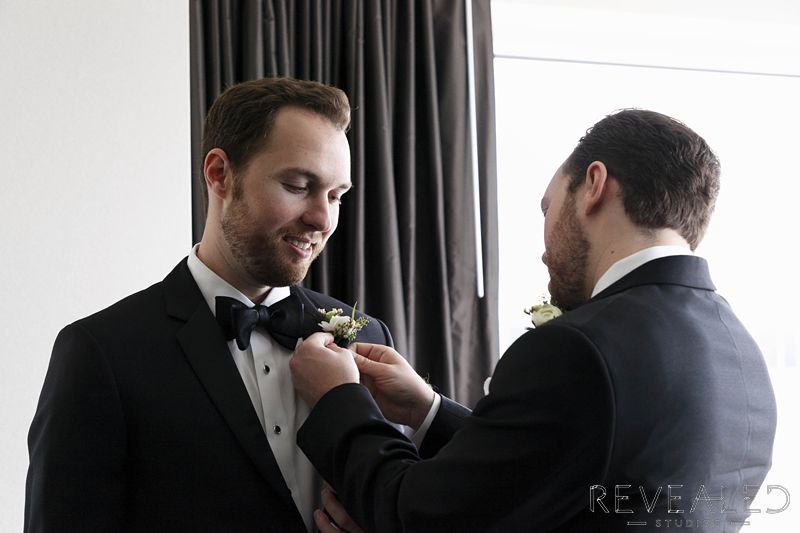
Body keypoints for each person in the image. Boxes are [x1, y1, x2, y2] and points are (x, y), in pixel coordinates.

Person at [290, 109, 777, 532]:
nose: (543, 249)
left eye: (548, 206)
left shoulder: (578, 347)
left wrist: (339, 399)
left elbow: (418, 517)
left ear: (594, 186)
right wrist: (429, 410)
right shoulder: (745, 361)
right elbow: (570, 480)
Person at [25, 77, 394, 532]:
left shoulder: (368, 338)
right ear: (219, 174)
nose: (322, 218)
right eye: (299, 185)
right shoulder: (102, 353)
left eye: (336, 196)